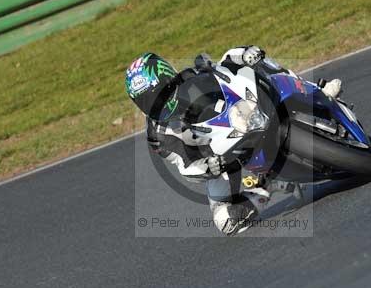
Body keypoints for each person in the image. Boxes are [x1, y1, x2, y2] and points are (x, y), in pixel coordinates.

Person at [124, 46, 342, 235]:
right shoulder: (159, 137)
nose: (157, 103)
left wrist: (242, 55)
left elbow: (223, 66)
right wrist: (207, 167)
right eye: (147, 101)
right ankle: (267, 186)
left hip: (242, 116)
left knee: (258, 63)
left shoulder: (191, 76)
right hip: (218, 158)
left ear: (168, 77)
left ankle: (317, 90)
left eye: (159, 94)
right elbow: (186, 167)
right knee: (226, 222)